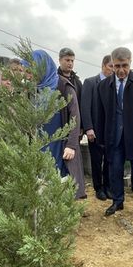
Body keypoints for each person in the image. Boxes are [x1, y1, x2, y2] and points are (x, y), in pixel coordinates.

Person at [95, 47, 133, 224]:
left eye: (125, 65)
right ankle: (118, 201)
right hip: (113, 137)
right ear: (111, 65)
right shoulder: (103, 86)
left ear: (130, 63)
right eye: (117, 66)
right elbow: (100, 114)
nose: (121, 70)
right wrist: (101, 139)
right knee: (115, 171)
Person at [25, 50, 85, 200]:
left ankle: (59, 218)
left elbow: (75, 117)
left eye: (31, 70)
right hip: (40, 144)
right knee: (41, 182)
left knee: (59, 181)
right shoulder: (32, 89)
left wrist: (71, 145)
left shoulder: (63, 86)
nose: (29, 75)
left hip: (60, 144)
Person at [81, 55, 113, 201]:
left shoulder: (114, 84)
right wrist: (88, 128)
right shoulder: (90, 82)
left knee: (109, 161)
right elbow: (85, 107)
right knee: (96, 161)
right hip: (95, 131)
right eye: (110, 66)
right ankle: (98, 188)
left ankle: (107, 186)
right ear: (103, 65)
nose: (113, 70)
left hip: (110, 131)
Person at [58, 48, 83, 118]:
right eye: (67, 60)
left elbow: (81, 104)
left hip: (74, 121)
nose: (70, 63)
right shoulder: (54, 79)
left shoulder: (77, 82)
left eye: (72, 61)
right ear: (60, 60)